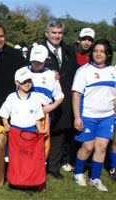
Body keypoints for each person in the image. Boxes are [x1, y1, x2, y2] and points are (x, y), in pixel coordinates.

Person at [71, 39, 114, 192]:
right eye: (96, 50)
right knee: (88, 147)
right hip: (87, 115)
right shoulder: (84, 71)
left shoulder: (112, 71)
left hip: (107, 117)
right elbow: (76, 95)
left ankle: (95, 178)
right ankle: (78, 173)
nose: (98, 53)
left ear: (107, 54)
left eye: (102, 51)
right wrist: (77, 117)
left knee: (102, 147)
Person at [41, 20, 79, 179]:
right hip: (44, 99)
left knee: (60, 133)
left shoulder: (69, 50)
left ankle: (54, 167)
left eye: (59, 33)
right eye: (53, 32)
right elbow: (29, 70)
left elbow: (75, 72)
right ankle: (40, 164)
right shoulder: (38, 50)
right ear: (47, 34)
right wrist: (47, 71)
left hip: (64, 99)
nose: (57, 36)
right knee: (44, 133)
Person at [0, 67, 45, 191]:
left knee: (29, 159)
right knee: (14, 158)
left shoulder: (35, 98)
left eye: (29, 80)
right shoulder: (12, 97)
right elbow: (4, 113)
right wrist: (5, 123)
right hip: (16, 134)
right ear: (17, 82)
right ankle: (13, 182)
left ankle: (29, 182)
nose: (27, 84)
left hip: (30, 133)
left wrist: (40, 130)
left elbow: (38, 117)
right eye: (23, 81)